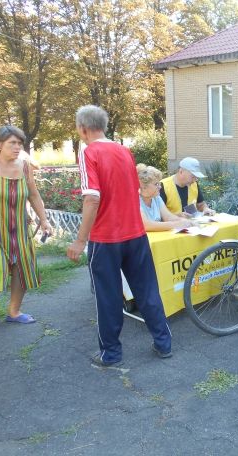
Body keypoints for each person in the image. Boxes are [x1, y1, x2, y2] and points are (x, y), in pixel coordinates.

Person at [67, 105, 172, 367]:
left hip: (106, 238)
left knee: (108, 296)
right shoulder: (124, 151)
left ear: (82, 128)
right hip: (135, 234)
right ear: (103, 125)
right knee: (147, 290)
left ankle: (111, 353)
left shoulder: (89, 152)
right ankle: (163, 343)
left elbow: (92, 198)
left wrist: (80, 240)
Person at [0, 126, 52, 326]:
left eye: (20, 143)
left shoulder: (25, 166)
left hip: (20, 228)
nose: (17, 147)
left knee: (22, 268)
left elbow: (33, 194)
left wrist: (44, 219)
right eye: (12, 143)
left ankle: (14, 311)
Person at [136, 164, 194, 231]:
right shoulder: (135, 200)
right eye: (156, 184)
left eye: (159, 183)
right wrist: (176, 224)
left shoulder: (156, 198)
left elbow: (168, 217)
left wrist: (187, 222)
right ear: (144, 187)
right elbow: (146, 225)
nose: (160, 187)